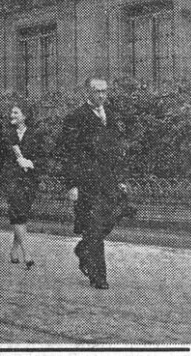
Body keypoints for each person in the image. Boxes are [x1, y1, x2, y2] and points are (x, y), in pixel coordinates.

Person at [59, 78, 130, 289]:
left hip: (109, 180)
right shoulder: (76, 117)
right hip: (87, 182)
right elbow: (68, 153)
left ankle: (83, 248)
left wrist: (121, 178)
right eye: (97, 91)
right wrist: (72, 185)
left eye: (104, 91)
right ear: (88, 93)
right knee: (95, 226)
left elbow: (117, 150)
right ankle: (98, 276)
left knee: (109, 220)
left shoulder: (111, 115)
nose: (101, 95)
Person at [0, 103, 39, 268]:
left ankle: (14, 250)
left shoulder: (34, 134)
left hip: (29, 180)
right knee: (17, 212)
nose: (12, 115)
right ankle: (27, 254)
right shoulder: (6, 133)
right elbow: (0, 157)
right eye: (11, 112)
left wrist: (31, 163)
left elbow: (42, 156)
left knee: (22, 214)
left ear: (25, 116)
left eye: (16, 112)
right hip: (12, 179)